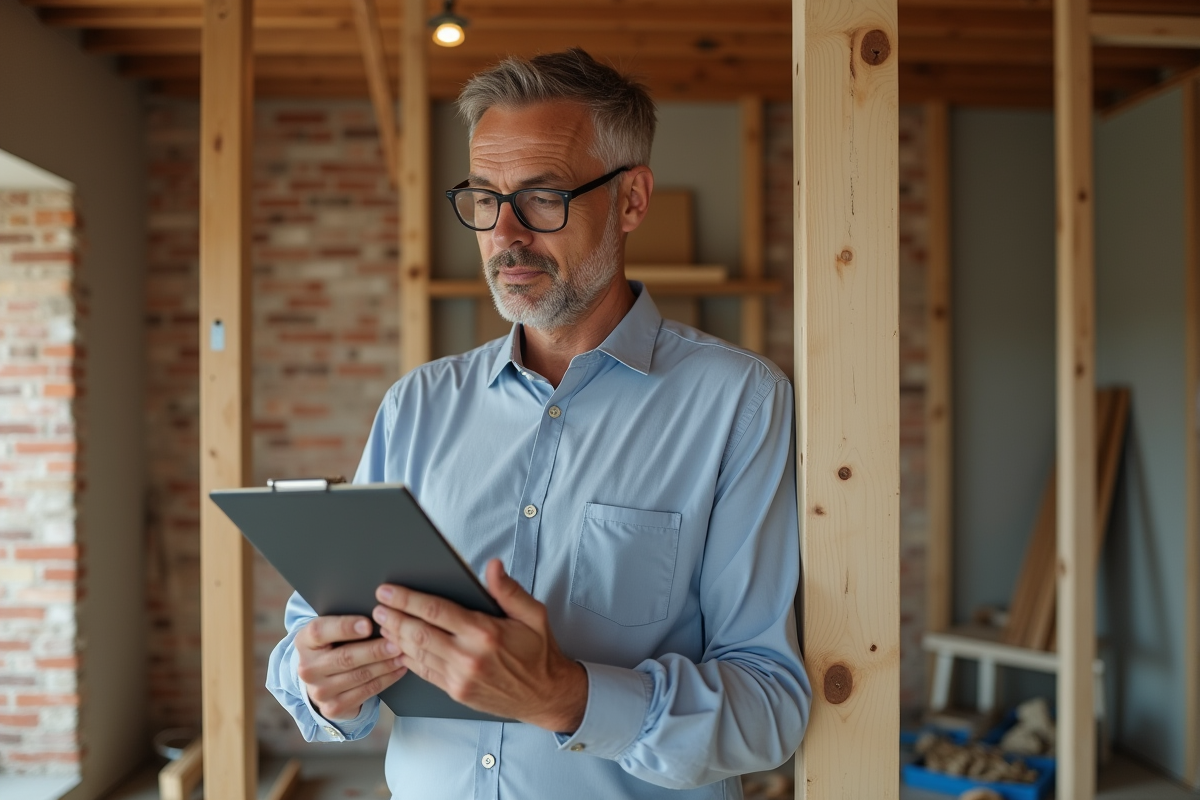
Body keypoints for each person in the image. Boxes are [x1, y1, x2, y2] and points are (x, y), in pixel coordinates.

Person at [267, 48, 810, 799]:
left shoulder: (739, 402)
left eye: (543, 196)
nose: (506, 234)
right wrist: (321, 681)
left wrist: (566, 696)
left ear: (632, 200)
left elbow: (771, 707)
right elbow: (310, 635)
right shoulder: (418, 405)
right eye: (485, 198)